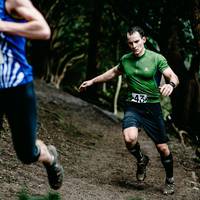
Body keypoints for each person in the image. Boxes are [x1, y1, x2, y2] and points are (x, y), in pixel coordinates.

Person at [79, 26, 179, 195]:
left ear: (144, 40)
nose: (134, 46)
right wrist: (92, 81)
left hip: (152, 108)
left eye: (137, 42)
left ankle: (170, 179)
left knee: (163, 148)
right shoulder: (126, 60)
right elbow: (113, 72)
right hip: (133, 106)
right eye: (130, 43)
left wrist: (170, 85)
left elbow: (173, 76)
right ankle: (141, 159)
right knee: (129, 138)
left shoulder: (156, 58)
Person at [0, 0, 64, 190]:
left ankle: (49, 157)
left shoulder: (12, 1)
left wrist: (3, 25)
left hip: (16, 87)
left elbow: (43, 29)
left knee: (27, 154)